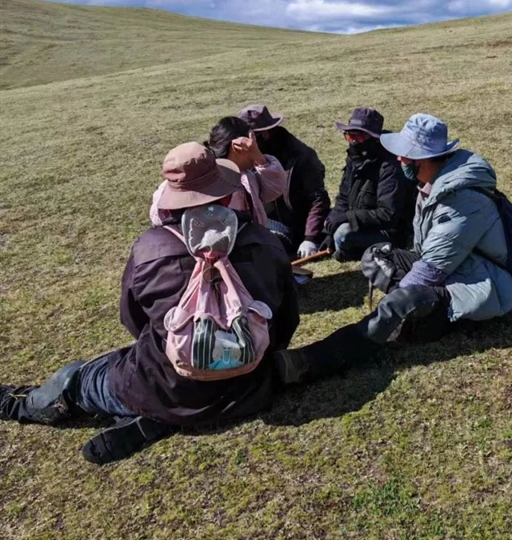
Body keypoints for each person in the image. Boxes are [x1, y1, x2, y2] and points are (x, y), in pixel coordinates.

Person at [1, 143, 299, 463]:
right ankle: (154, 421)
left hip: (165, 389)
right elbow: (286, 320)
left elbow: (133, 321)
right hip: (252, 386)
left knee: (75, 380)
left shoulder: (150, 249)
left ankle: (14, 403)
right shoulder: (266, 241)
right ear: (228, 194)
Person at [272, 113, 512, 385]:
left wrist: (401, 300)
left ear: (423, 159)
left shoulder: (461, 202)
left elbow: (429, 269)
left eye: (405, 154)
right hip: (453, 265)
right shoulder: (432, 181)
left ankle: (312, 361)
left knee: (398, 303)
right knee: (375, 255)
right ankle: (420, 314)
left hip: (478, 283)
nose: (399, 159)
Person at [149, 117, 287, 228]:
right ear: (238, 147)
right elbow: (160, 215)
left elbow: (274, 191)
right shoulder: (197, 181)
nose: (256, 148)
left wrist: (260, 159)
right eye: (253, 143)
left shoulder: (246, 175)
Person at [319, 107, 415, 262]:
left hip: (389, 231)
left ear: (375, 138)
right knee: (331, 224)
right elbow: (343, 198)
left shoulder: (390, 166)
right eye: (350, 136)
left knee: (343, 234)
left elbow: (387, 215)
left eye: (360, 136)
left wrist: (346, 218)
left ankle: (355, 251)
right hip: (362, 221)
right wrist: (328, 231)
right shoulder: (354, 158)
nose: (354, 141)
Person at [238, 104, 331, 258]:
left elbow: (317, 199)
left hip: (289, 222)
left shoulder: (302, 157)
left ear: (264, 134)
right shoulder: (245, 156)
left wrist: (310, 238)